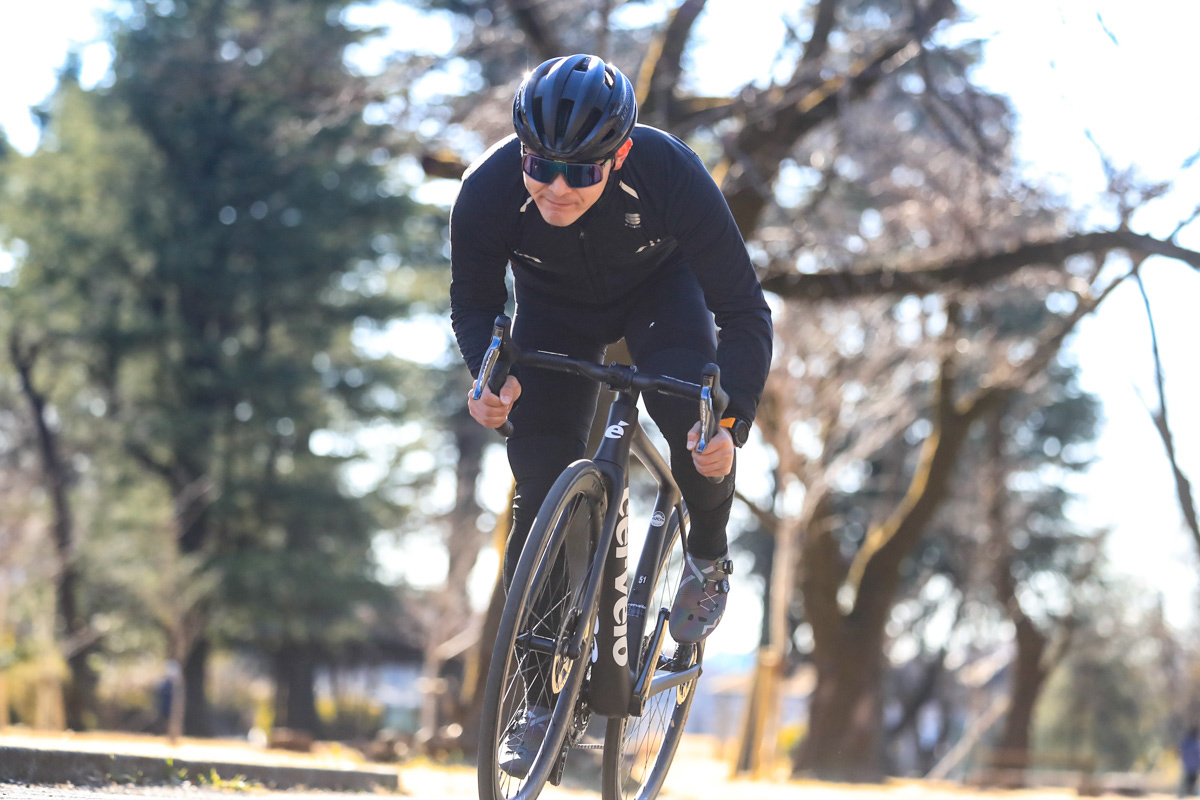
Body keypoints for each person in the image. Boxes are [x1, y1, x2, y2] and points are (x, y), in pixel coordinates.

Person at [449, 54, 772, 776]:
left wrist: (733, 421)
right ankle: (536, 705)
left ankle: (708, 556)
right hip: (552, 312)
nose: (557, 187)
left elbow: (745, 312)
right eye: (542, 166)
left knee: (695, 425)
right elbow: (474, 304)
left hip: (661, 298)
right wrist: (487, 376)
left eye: (584, 172)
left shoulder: (671, 173)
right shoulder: (488, 189)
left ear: (619, 154)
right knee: (538, 483)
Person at [1181, 725, 1200, 796]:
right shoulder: (1196, 743)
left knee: (1189, 781)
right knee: (1192, 781)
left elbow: (1181, 751)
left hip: (1188, 766)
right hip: (1194, 766)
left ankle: (1189, 793)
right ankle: (1190, 793)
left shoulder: (1185, 743)